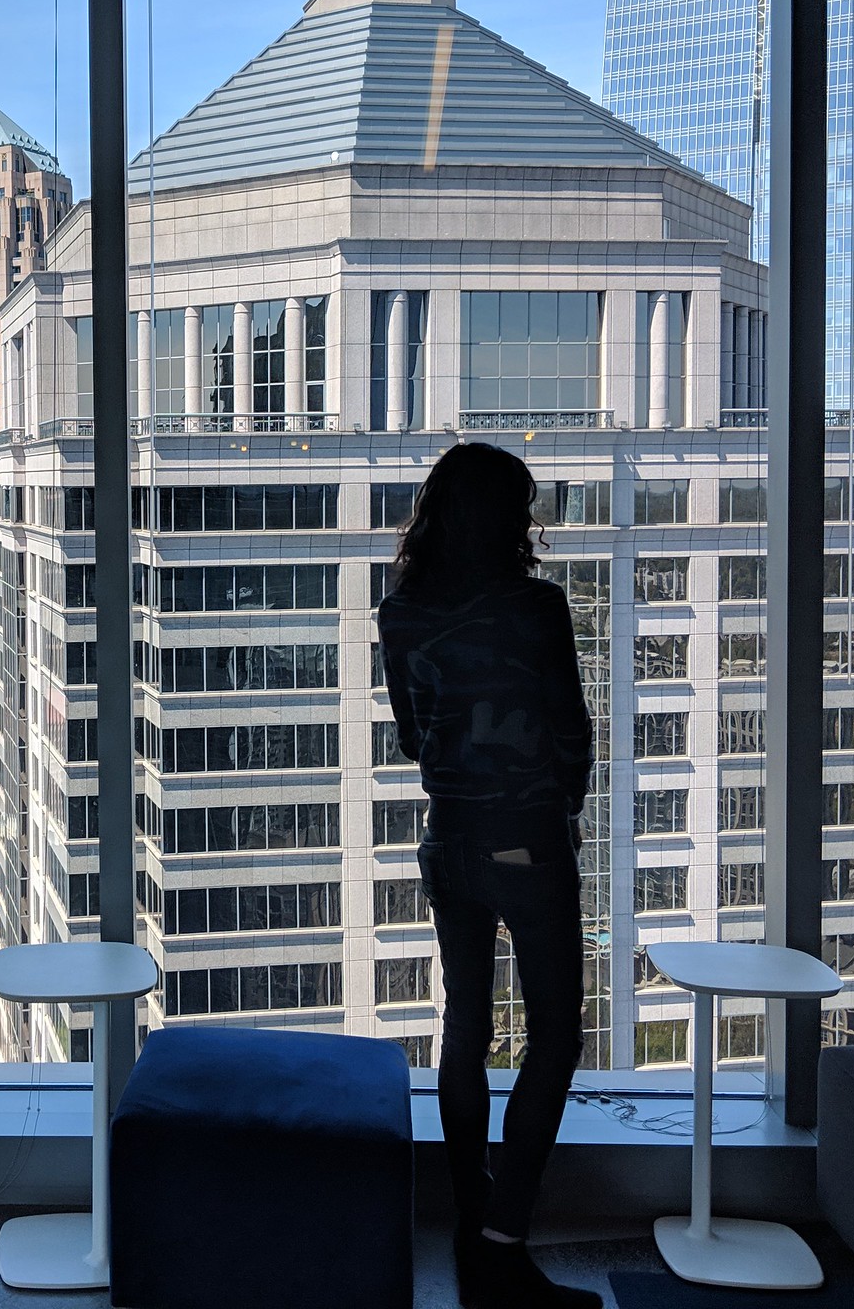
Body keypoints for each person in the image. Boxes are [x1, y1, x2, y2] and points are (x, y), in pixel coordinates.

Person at [376, 442, 599, 1309]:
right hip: (528, 842)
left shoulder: (401, 611)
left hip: (449, 840)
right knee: (553, 1034)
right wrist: (558, 804)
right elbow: (571, 726)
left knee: (465, 1022)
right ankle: (506, 1239)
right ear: (514, 519)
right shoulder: (536, 607)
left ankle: (472, 1222)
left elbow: (407, 737)